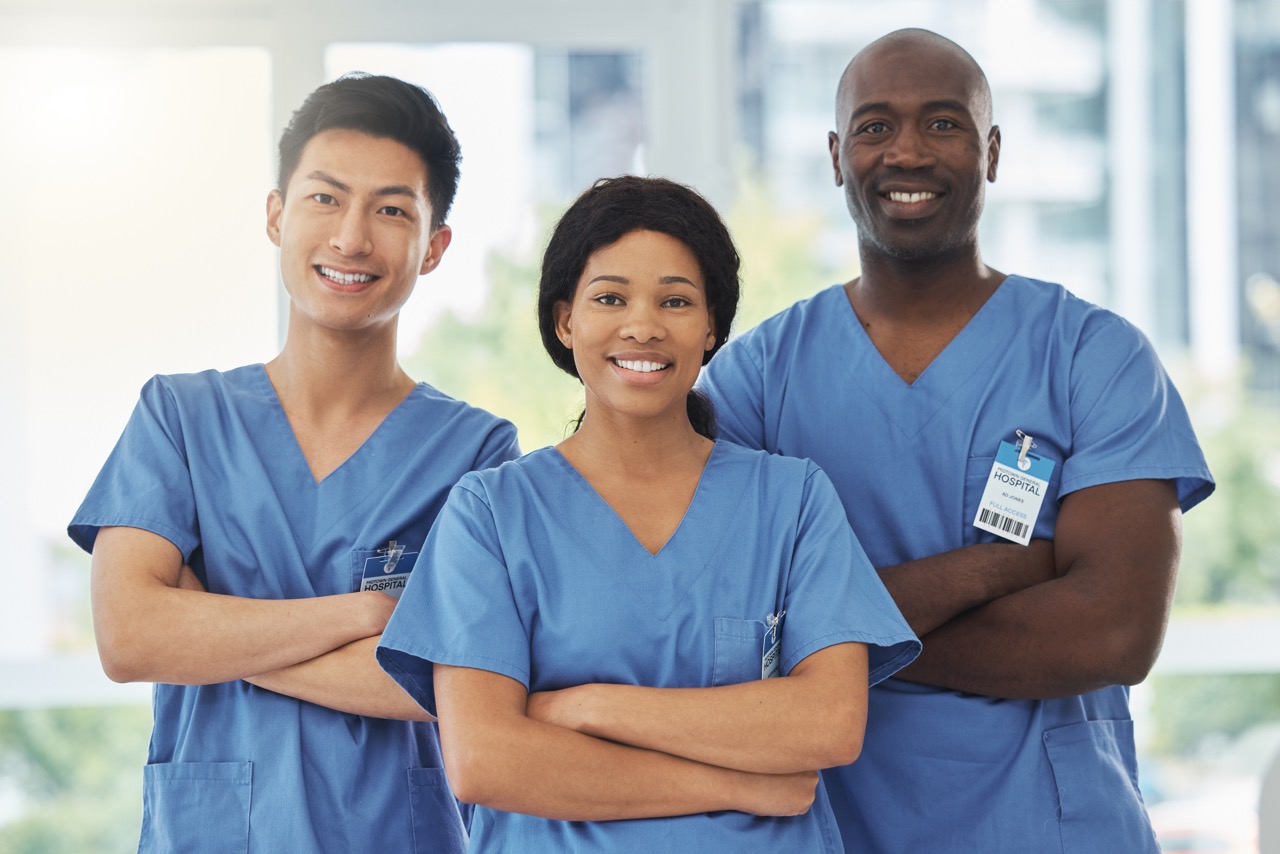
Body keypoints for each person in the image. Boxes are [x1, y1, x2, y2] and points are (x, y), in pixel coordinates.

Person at [699, 28, 1215, 854]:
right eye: (874, 127)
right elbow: (726, 632)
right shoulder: (755, 380)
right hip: (837, 826)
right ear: (837, 156)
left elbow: (1115, 631)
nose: (907, 151)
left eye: (943, 123)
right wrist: (996, 569)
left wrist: (833, 642)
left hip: (1052, 825)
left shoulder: (1093, 355)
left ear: (994, 151)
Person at [376, 175, 919, 852]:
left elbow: (830, 722)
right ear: (564, 319)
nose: (643, 324)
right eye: (610, 298)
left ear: (712, 323)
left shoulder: (792, 500)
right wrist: (739, 783)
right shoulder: (490, 514)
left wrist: (589, 706)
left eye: (675, 300)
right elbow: (487, 761)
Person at [68, 73, 519, 853]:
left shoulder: (477, 454)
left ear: (435, 246)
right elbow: (129, 638)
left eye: (390, 210)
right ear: (276, 215)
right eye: (324, 198)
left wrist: (210, 628)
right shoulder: (180, 418)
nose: (350, 238)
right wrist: (365, 619)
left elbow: (453, 686)